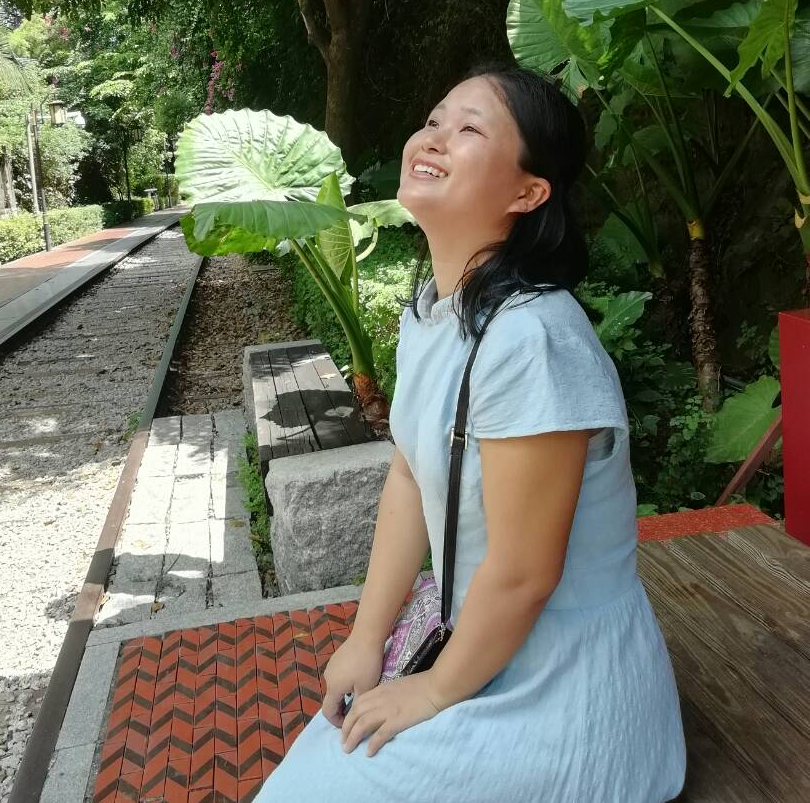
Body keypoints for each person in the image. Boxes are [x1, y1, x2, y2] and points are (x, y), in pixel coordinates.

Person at [253, 62, 687, 802]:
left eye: (469, 129)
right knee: (319, 759)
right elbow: (409, 475)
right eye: (433, 120)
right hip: (478, 638)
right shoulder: (434, 310)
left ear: (528, 193)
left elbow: (523, 572)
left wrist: (430, 691)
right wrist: (365, 637)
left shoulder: (532, 341)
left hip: (560, 686)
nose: (433, 137)